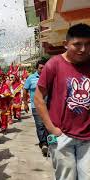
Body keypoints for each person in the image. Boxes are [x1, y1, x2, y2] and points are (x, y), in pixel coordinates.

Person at [34, 23, 90, 180]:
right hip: (62, 137)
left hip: (88, 138)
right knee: (67, 177)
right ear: (66, 44)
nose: (83, 49)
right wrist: (51, 128)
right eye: (77, 44)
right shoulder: (54, 65)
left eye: (87, 44)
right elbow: (38, 98)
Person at [23, 58, 49, 156]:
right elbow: (25, 91)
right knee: (40, 125)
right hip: (36, 106)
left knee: (48, 125)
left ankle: (50, 142)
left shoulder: (50, 77)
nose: (43, 70)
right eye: (41, 68)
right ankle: (43, 144)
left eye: (44, 68)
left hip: (48, 105)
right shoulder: (31, 78)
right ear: (37, 68)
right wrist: (25, 103)